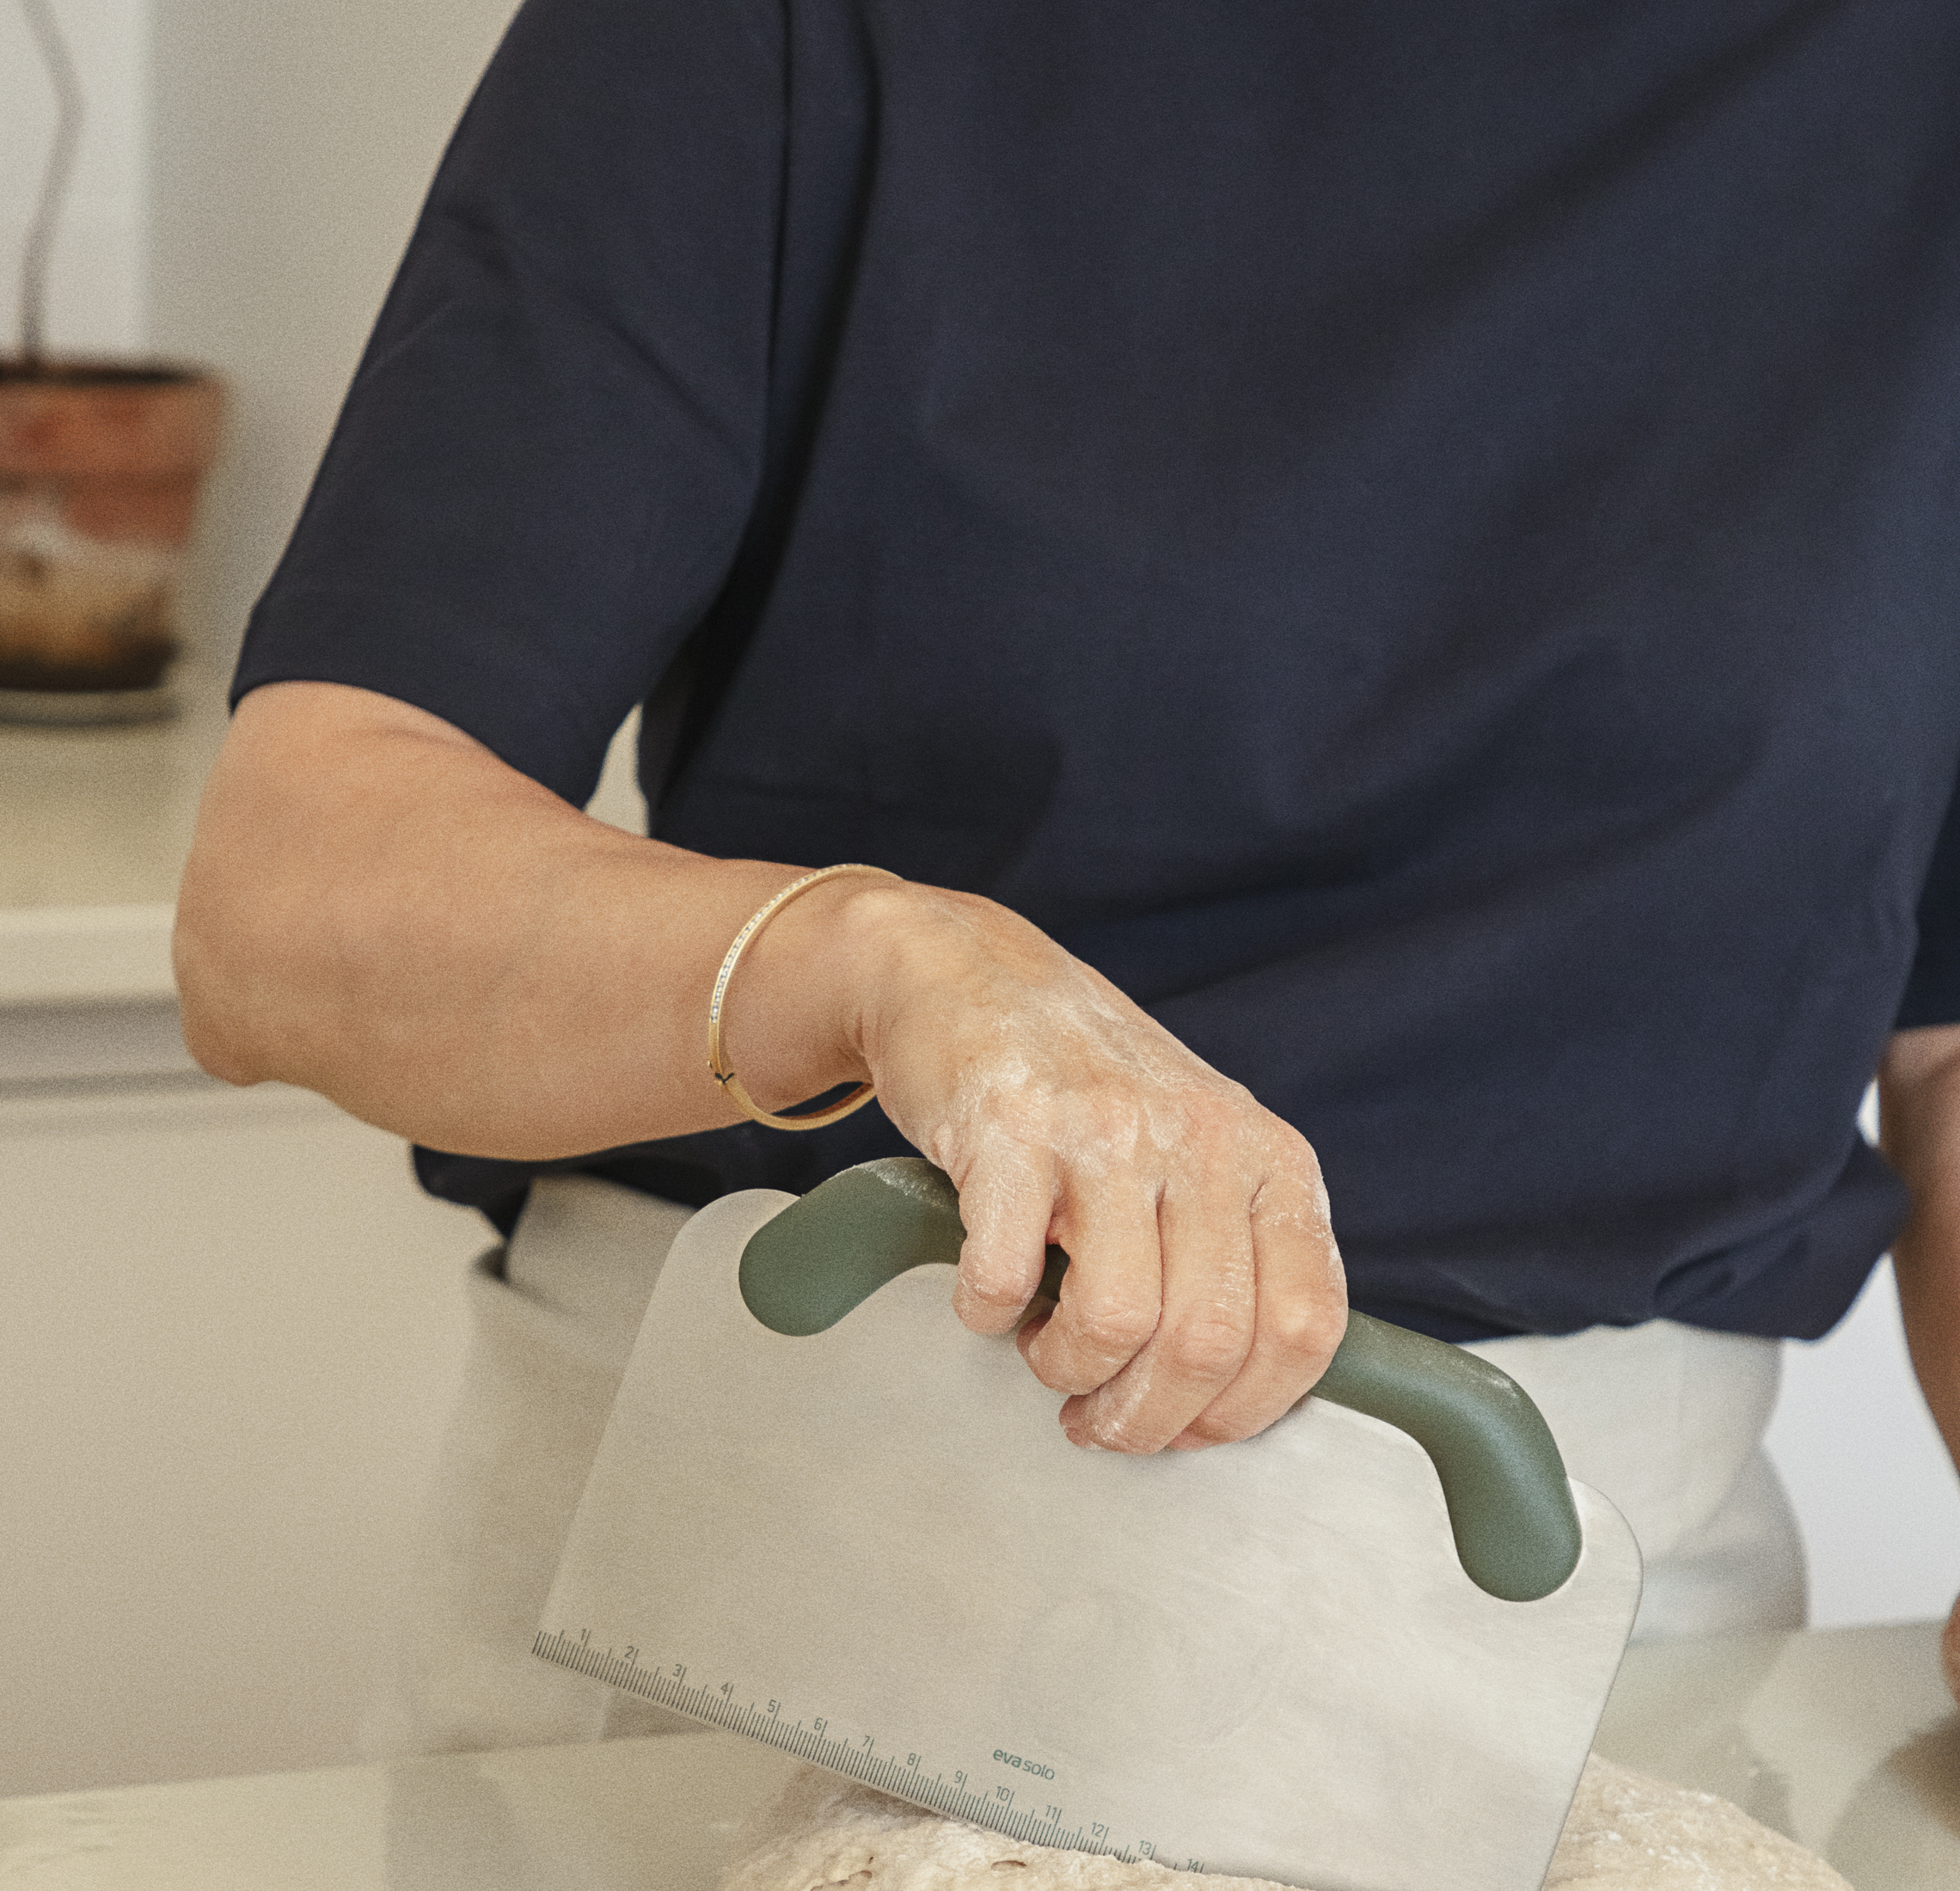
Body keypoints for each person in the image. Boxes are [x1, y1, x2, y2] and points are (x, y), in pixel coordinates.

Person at [174, 0, 1960, 1754]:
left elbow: (1949, 1056)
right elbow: (294, 898)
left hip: (1596, 1669)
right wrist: (887, 965)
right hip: (757, 1602)